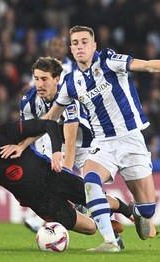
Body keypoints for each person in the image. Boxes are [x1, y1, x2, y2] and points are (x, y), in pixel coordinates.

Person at [42, 25, 160, 241]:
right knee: (89, 182)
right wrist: (21, 141)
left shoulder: (109, 61)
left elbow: (146, 66)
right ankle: (110, 242)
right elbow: (50, 118)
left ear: (94, 46)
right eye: (75, 43)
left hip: (131, 139)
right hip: (102, 144)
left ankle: (134, 212)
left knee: (148, 209)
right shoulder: (70, 82)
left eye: (84, 42)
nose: (79, 47)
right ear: (71, 49)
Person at [0, 106, 122, 252]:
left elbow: (49, 124)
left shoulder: (10, 132)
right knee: (89, 229)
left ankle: (129, 211)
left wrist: (57, 152)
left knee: (97, 198)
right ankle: (103, 222)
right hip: (38, 199)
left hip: (53, 175)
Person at [20, 57, 132, 240]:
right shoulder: (28, 101)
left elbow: (71, 139)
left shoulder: (67, 97)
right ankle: (110, 227)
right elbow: (27, 133)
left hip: (85, 143)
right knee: (52, 187)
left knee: (88, 191)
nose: (39, 84)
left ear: (57, 79)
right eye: (37, 79)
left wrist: (66, 173)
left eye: (44, 79)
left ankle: (120, 211)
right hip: (54, 142)